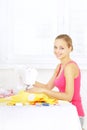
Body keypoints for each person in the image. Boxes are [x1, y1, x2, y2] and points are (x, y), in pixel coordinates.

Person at [26, 34, 85, 129]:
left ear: (70, 48)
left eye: (62, 48)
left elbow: (68, 97)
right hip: (65, 111)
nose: (57, 51)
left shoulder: (70, 67)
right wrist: (29, 80)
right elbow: (48, 87)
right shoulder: (59, 67)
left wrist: (43, 91)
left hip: (75, 115)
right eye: (55, 47)